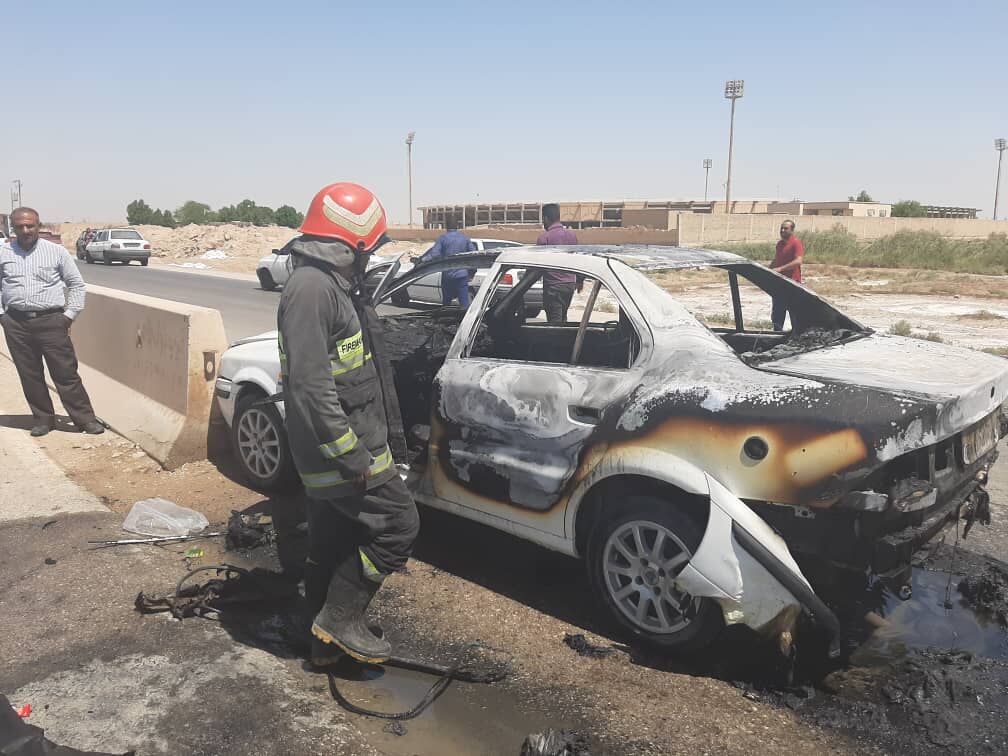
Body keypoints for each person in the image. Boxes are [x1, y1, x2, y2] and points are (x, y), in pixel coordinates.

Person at [277, 182, 418, 666]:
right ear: (349, 246)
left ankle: (319, 641)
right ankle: (340, 619)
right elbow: (310, 387)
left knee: (332, 541)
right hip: (340, 453)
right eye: (369, 250)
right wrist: (351, 454)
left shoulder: (327, 285)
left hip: (340, 447)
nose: (371, 259)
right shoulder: (312, 289)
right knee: (398, 525)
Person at [0, 207, 104, 437]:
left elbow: (76, 284)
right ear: (13, 228)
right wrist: (2, 316)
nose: (25, 230)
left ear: (38, 226)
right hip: (16, 323)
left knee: (65, 373)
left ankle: (85, 419)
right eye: (20, 226)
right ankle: (43, 419)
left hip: (51, 322)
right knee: (29, 374)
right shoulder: (3, 253)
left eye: (30, 225)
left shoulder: (56, 252)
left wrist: (69, 315)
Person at [536, 203, 581, 323]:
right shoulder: (572, 236)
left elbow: (537, 265)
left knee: (554, 323)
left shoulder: (544, 238)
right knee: (563, 318)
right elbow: (578, 259)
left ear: (545, 218)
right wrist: (580, 280)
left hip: (553, 287)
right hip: (569, 285)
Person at [416, 219, 476, 306]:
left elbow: (434, 254)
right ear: (457, 227)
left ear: (446, 227)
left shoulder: (443, 238)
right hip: (462, 275)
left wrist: (422, 260)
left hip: (448, 275)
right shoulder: (465, 238)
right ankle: (464, 314)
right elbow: (473, 255)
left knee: (446, 303)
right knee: (464, 303)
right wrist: (472, 272)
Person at [769, 219, 805, 331]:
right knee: (777, 313)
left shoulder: (796, 243)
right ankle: (777, 334)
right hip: (779, 283)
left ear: (792, 230)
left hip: (792, 284)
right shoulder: (779, 244)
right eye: (781, 228)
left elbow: (798, 261)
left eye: (786, 228)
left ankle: (796, 335)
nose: (782, 230)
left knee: (794, 313)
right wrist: (768, 269)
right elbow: (777, 260)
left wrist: (780, 269)